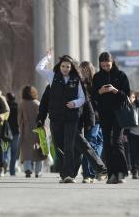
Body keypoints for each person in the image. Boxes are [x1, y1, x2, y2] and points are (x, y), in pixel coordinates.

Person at [36, 51, 85, 183]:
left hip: (71, 118)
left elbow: (82, 98)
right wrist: (47, 57)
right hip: (56, 118)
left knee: (69, 146)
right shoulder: (52, 76)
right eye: (63, 66)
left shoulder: (76, 79)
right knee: (58, 146)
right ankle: (64, 174)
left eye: (68, 67)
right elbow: (38, 68)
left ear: (71, 68)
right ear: (59, 66)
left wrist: (75, 103)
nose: (65, 69)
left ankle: (69, 175)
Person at [92, 52, 130, 184]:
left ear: (112, 62)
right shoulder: (96, 77)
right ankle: (111, 173)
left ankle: (121, 172)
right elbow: (92, 97)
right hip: (104, 114)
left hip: (118, 113)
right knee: (107, 143)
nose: (106, 68)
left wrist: (115, 90)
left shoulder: (121, 76)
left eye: (108, 65)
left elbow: (127, 96)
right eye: (103, 66)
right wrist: (99, 92)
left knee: (117, 141)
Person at [78, 61, 107, 183]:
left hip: (95, 117)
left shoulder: (89, 83)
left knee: (96, 142)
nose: (81, 72)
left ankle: (91, 172)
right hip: (92, 117)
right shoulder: (85, 84)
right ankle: (88, 173)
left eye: (83, 70)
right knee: (90, 143)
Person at [18, 85, 45, 178]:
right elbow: (42, 118)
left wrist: (21, 128)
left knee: (26, 151)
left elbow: (19, 119)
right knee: (38, 151)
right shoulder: (37, 104)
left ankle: (27, 169)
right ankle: (38, 171)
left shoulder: (22, 104)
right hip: (38, 130)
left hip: (26, 130)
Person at [3, 92, 19, 176]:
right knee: (14, 153)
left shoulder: (5, 107)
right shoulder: (17, 107)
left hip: (6, 133)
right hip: (15, 132)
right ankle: (12, 171)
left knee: (5, 150)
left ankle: (4, 160)